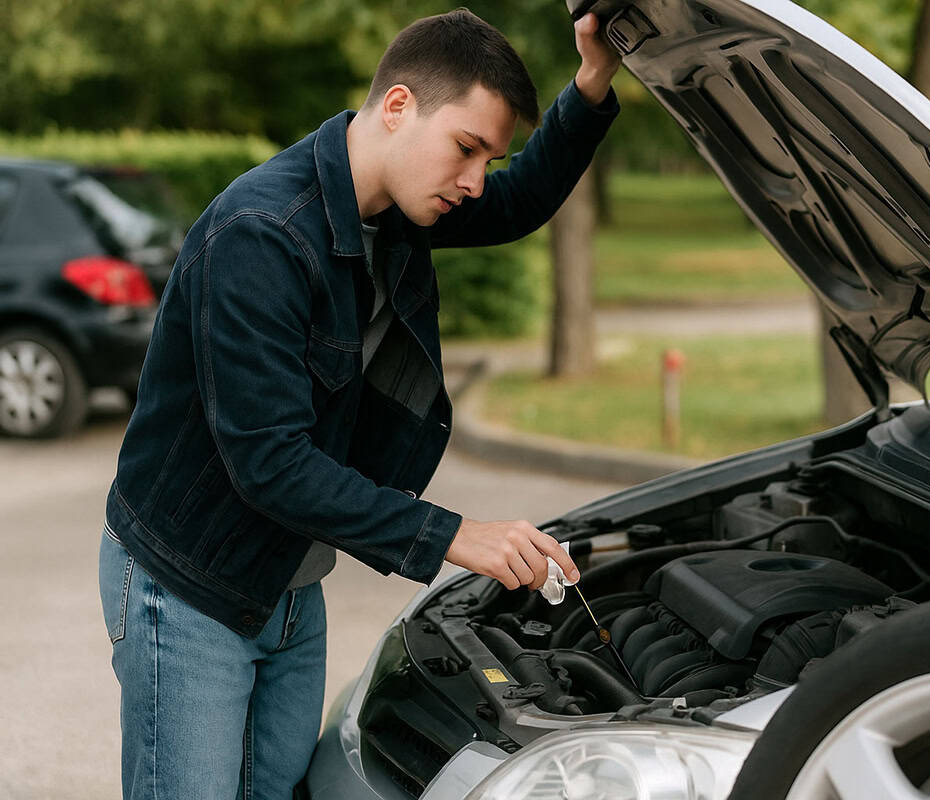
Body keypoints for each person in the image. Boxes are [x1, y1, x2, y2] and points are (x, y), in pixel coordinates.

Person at [98, 8, 620, 798]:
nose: (476, 180)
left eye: (490, 157)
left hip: (289, 582)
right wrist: (453, 536)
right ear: (399, 106)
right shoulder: (262, 234)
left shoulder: (396, 207)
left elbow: (519, 203)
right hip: (191, 584)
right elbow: (269, 461)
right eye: (467, 148)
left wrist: (592, 80)